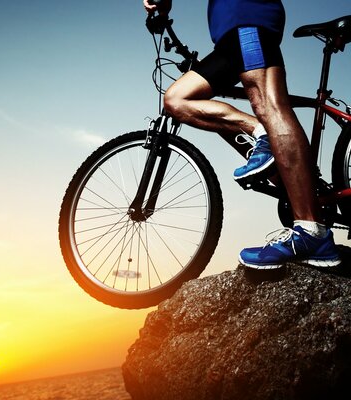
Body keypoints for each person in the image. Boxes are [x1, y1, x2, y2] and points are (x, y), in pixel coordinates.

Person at [143, 0, 341, 269]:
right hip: (228, 35)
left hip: (247, 16)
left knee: (266, 102)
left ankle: (311, 232)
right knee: (177, 99)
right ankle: (262, 133)